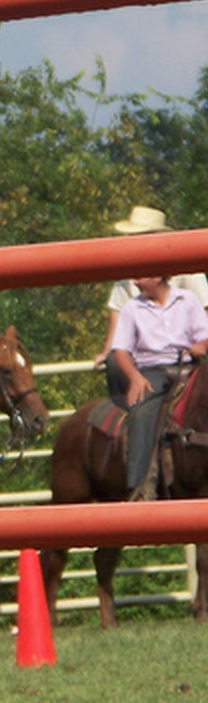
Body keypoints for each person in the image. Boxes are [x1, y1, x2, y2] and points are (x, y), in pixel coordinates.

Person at [105, 275, 208, 500]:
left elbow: (205, 334)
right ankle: (141, 487)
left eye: (141, 276)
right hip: (152, 370)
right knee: (141, 412)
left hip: (190, 365)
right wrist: (134, 377)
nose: (134, 281)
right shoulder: (132, 308)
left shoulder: (188, 300)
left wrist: (200, 345)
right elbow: (120, 351)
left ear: (158, 276)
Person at [98, 208, 208, 368]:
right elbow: (117, 315)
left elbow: (205, 309)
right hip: (144, 353)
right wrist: (108, 351)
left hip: (187, 349)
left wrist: (202, 344)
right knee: (114, 364)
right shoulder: (125, 275)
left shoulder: (186, 269)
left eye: (139, 237)